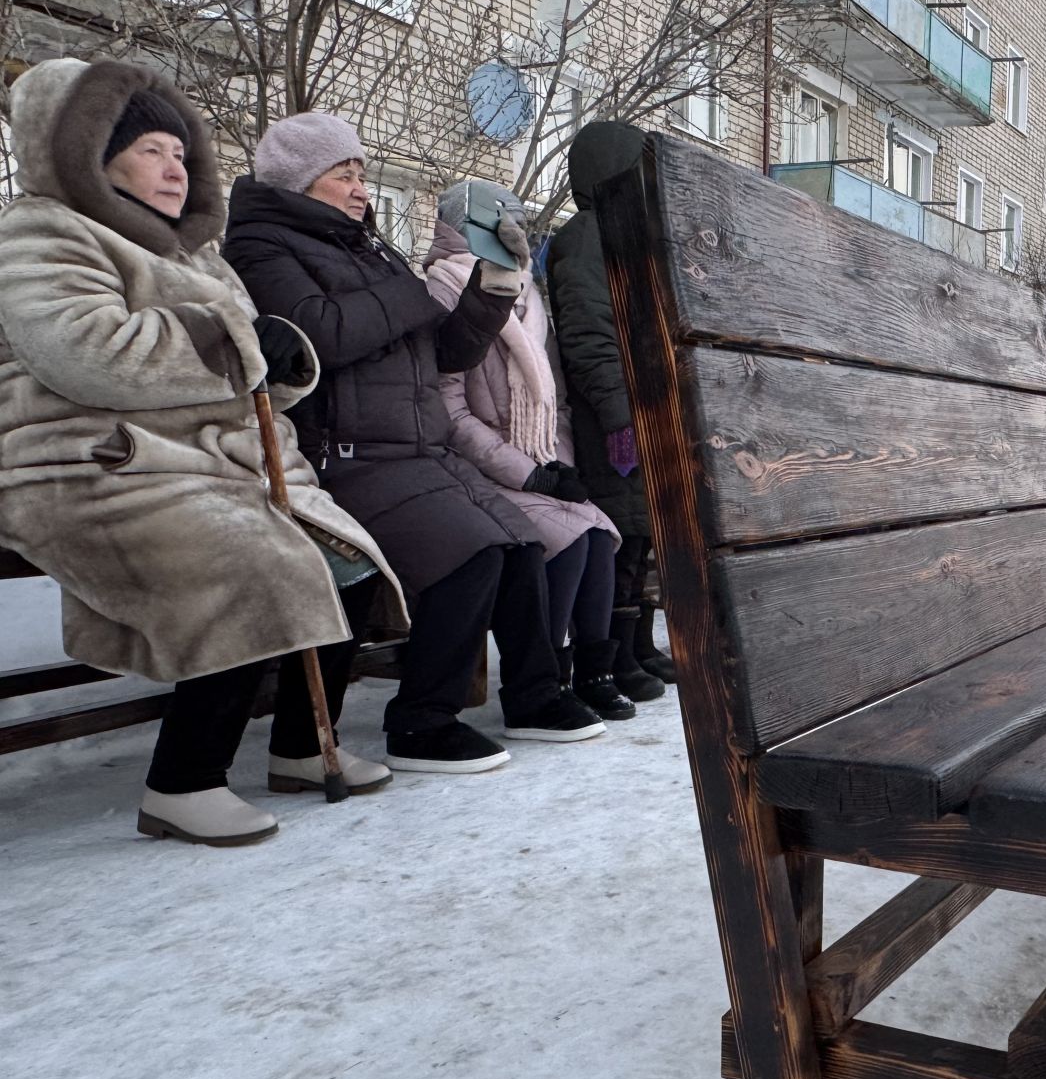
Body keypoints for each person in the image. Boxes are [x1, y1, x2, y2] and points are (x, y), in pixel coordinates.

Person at [0, 59, 407, 846]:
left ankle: (298, 747)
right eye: (153, 149)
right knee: (257, 565)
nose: (174, 167)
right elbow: (84, 350)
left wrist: (280, 364)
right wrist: (234, 344)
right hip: (86, 462)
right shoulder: (42, 229)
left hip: (213, 462)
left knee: (349, 562)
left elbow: (247, 370)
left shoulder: (199, 257)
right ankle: (183, 782)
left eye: (182, 153)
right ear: (92, 154)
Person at [223, 113, 605, 774]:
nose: (361, 188)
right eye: (344, 174)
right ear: (299, 180)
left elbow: (445, 352)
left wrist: (495, 283)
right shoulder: (263, 247)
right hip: (344, 455)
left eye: (363, 173)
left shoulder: (367, 251)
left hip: (419, 450)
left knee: (518, 541)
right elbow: (322, 334)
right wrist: (408, 295)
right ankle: (423, 720)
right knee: (472, 551)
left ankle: (536, 695)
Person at [425, 180, 652, 720]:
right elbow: (451, 413)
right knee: (569, 539)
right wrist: (531, 476)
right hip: (480, 466)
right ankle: (545, 678)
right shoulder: (442, 286)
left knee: (601, 533)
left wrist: (558, 467)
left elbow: (558, 401)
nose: (512, 225)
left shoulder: (529, 290)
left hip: (539, 458)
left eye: (517, 216)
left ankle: (593, 672)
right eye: (497, 216)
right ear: (462, 224)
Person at [545, 122, 674, 700]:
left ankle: (639, 644)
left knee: (646, 530)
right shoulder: (586, 238)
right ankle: (613, 657)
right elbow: (589, 334)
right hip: (612, 417)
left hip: (644, 403)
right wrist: (623, 416)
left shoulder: (630, 233)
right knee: (622, 528)